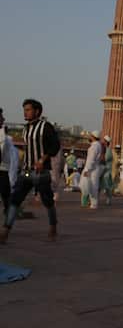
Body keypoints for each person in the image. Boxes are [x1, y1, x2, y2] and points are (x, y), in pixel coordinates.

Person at [1, 99, 61, 243]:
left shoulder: (45, 127)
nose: (25, 112)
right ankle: (5, 231)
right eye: (24, 109)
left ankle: (53, 225)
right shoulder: (26, 128)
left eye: (28, 109)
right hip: (26, 172)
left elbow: (55, 146)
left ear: (37, 111)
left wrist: (43, 159)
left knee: (47, 202)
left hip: (41, 173)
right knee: (15, 200)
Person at [0, 109, 19, 215]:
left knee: (6, 196)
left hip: (3, 170)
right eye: (1, 117)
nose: (3, 119)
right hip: (3, 171)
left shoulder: (6, 139)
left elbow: (13, 160)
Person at [81, 131, 103, 209]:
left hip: (92, 169)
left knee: (92, 186)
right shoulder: (98, 145)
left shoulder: (94, 146)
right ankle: (93, 203)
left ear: (93, 137)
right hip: (94, 168)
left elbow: (91, 159)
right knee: (92, 185)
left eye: (90, 136)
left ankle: (93, 204)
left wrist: (87, 169)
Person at [99, 136, 114, 206]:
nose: (102, 142)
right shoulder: (104, 149)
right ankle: (95, 199)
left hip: (106, 170)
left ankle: (108, 199)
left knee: (107, 186)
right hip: (102, 169)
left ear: (106, 142)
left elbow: (104, 159)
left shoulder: (108, 150)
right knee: (98, 185)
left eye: (103, 141)